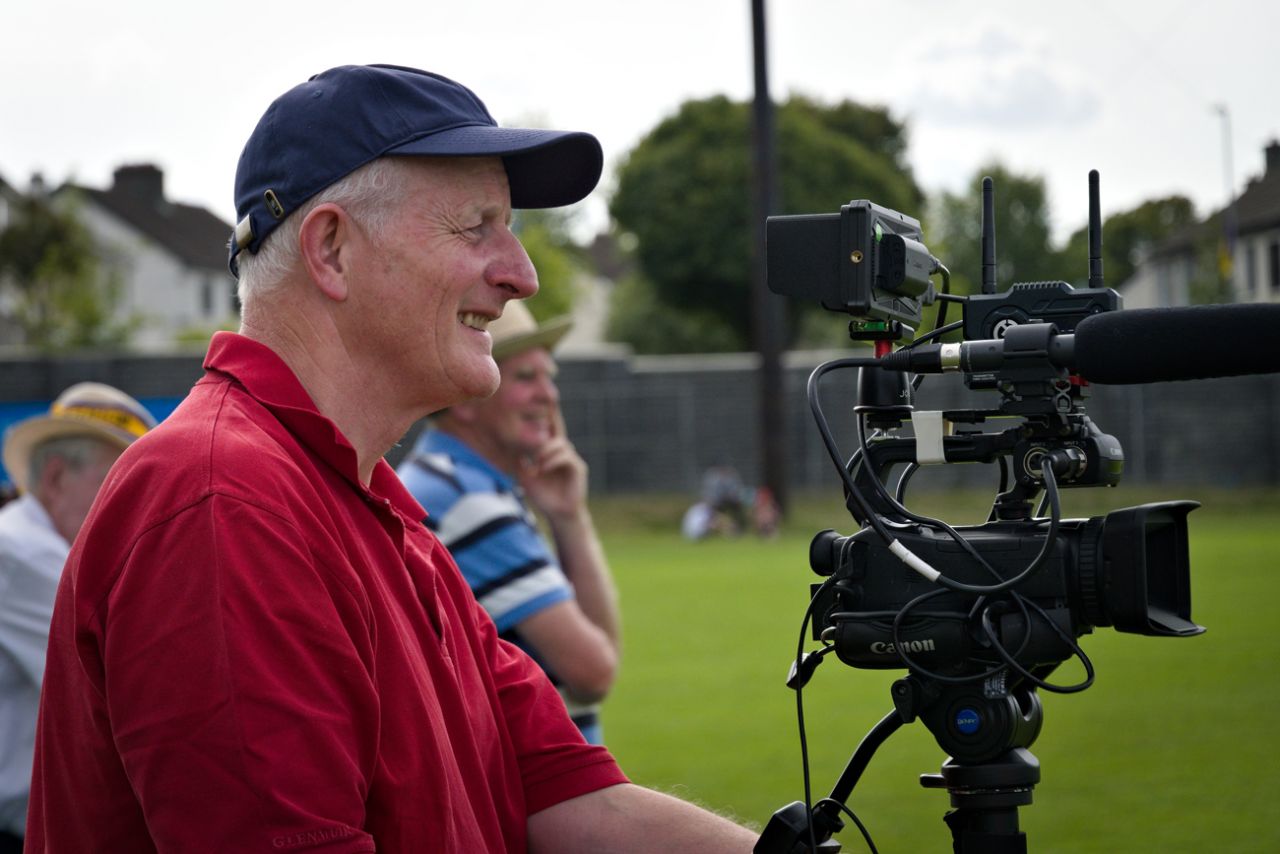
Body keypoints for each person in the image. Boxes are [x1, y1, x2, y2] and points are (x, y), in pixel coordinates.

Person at [27, 64, 758, 852]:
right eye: (477, 226)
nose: (521, 274)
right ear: (332, 249)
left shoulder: (377, 511)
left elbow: (568, 796)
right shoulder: (224, 497)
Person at [397, 300, 620, 745]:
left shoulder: (447, 477)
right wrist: (575, 522)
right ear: (467, 395)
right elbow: (594, 672)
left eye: (548, 377)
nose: (548, 395)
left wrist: (567, 514)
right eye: (524, 377)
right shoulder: (468, 501)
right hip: (532, 796)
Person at [0, 382, 156, 852]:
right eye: (115, 484)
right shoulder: (20, 555)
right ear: (55, 478)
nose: (135, 506)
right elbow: (128, 677)